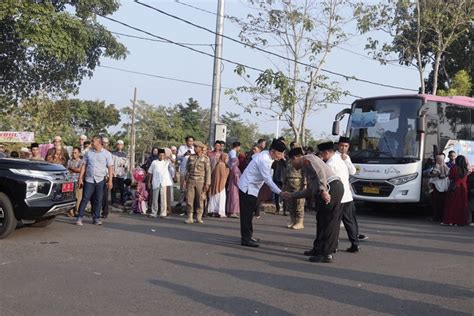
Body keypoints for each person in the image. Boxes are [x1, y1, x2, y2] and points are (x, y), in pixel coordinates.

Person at [282, 149, 344, 263]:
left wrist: (324, 190)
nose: (291, 165)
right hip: (327, 188)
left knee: (328, 221)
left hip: (332, 187)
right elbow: (310, 190)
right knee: (320, 220)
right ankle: (318, 249)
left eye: (291, 162)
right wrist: (292, 195)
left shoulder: (308, 159)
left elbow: (321, 171)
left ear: (296, 157)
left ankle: (326, 253)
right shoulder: (306, 167)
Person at [238, 139, 286, 248]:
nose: (281, 156)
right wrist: (280, 192)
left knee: (249, 214)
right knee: (246, 215)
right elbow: (268, 180)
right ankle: (245, 239)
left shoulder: (266, 155)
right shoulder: (264, 160)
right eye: (279, 154)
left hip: (253, 188)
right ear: (273, 151)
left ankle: (248, 236)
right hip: (247, 188)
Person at [319, 141, 359, 253]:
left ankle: (333, 246)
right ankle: (355, 243)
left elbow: (327, 182)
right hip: (347, 195)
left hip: (338, 197)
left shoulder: (330, 164)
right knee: (350, 221)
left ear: (326, 153)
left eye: (322, 154)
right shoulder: (340, 159)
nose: (321, 156)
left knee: (334, 223)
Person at [75, 135, 113, 226]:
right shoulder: (88, 153)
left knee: (98, 199)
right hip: (89, 179)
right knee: (85, 198)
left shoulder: (107, 154)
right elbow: (83, 166)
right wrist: (80, 178)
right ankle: (79, 217)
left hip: (100, 180)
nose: (91, 143)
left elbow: (110, 167)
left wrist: (110, 180)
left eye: (93, 141)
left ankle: (96, 218)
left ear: (99, 142)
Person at [337, 136, 368, 241]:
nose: (343, 148)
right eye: (341, 145)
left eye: (346, 146)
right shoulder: (334, 157)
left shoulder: (347, 158)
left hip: (346, 192)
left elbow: (353, 172)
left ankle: (355, 237)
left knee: (350, 217)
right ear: (338, 146)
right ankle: (332, 242)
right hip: (336, 191)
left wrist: (347, 161)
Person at [184, 141, 211, 224]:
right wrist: (186, 180)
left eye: (197, 147)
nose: (195, 148)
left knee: (200, 199)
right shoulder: (191, 157)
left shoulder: (206, 159)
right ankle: (190, 217)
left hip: (200, 181)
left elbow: (208, 172)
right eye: (194, 147)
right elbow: (187, 170)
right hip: (191, 180)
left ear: (201, 148)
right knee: (189, 199)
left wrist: (207, 183)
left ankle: (199, 217)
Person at [442, 155, 469, 226]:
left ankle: (451, 220)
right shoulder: (465, 169)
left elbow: (450, 176)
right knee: (462, 205)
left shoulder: (454, 168)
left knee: (452, 204)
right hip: (463, 188)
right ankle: (460, 221)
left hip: (455, 187)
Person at [283, 146, 305, 229]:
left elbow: (305, 175)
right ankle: (293, 221)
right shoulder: (289, 162)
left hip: (298, 184)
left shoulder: (302, 162)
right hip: (289, 183)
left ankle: (300, 222)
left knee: (299, 204)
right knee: (291, 204)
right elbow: (285, 173)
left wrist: (305, 184)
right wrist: (284, 185)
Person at [148, 149, 173, 218]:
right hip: (156, 182)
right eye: (160, 155)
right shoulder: (154, 162)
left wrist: (168, 157)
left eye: (163, 155)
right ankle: (154, 212)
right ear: (158, 155)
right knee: (155, 198)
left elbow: (174, 161)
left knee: (163, 198)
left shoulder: (166, 162)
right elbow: (150, 172)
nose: (161, 157)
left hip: (163, 182)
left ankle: (163, 213)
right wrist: (149, 182)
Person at [429, 154, 450, 222]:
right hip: (444, 188)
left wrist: (435, 175)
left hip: (437, 188)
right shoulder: (445, 166)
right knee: (442, 203)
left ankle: (436, 217)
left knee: (437, 203)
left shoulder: (438, 166)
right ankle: (440, 217)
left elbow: (433, 175)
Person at [209, 153, 230, 218]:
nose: (227, 160)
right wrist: (228, 170)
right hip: (221, 185)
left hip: (216, 184)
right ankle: (220, 212)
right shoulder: (222, 165)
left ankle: (213, 211)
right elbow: (224, 176)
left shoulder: (218, 164)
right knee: (221, 198)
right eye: (227, 158)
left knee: (215, 198)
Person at [177, 136, 195, 205]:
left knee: (190, 185)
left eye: (191, 141)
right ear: (186, 141)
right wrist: (184, 154)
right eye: (189, 141)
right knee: (182, 186)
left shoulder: (194, 148)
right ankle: (180, 201)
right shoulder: (182, 148)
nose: (190, 142)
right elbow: (178, 157)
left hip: (192, 169)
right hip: (183, 169)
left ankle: (189, 201)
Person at [111, 140, 128, 208]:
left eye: (121, 144)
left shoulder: (125, 154)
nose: (119, 146)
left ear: (123, 146)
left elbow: (127, 163)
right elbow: (111, 164)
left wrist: (125, 165)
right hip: (114, 173)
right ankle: (113, 201)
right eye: (118, 144)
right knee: (114, 188)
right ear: (116, 145)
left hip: (121, 174)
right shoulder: (113, 154)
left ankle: (122, 201)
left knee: (122, 188)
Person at [67, 147, 84, 217]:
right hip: (70, 180)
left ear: (79, 153)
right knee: (70, 196)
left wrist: (71, 168)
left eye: (75, 153)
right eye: (73, 153)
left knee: (78, 197)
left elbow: (80, 170)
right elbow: (67, 170)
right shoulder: (69, 160)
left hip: (78, 180)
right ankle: (70, 211)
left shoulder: (81, 161)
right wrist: (74, 169)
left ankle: (77, 211)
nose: (73, 154)